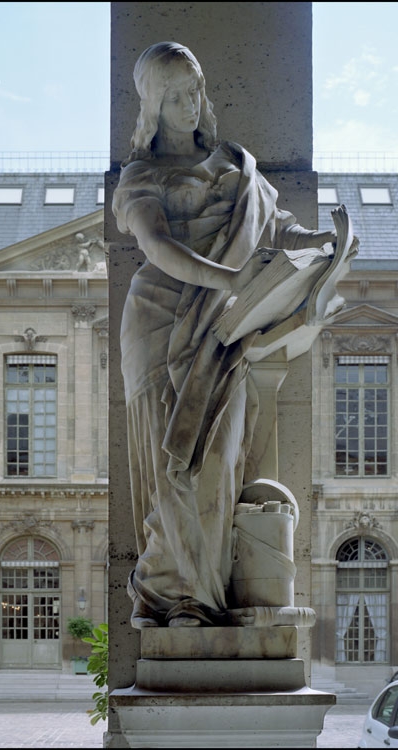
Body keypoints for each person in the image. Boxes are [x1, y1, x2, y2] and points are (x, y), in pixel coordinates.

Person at [113, 42, 339, 628]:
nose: (190, 105)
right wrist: (229, 278)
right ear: (153, 108)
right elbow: (157, 247)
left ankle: (202, 595)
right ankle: (174, 595)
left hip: (227, 331)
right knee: (174, 469)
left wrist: (322, 244)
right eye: (175, 97)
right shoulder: (142, 176)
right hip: (161, 324)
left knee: (217, 461)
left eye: (195, 90)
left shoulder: (242, 169)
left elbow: (277, 231)